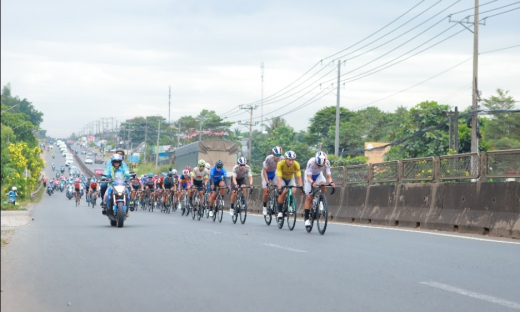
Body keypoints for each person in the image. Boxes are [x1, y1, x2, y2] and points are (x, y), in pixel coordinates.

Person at [303, 151, 335, 227]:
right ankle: (307, 218)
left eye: (321, 165)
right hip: (309, 176)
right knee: (308, 197)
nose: (320, 167)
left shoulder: (327, 163)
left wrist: (331, 183)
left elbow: (329, 177)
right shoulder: (311, 162)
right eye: (318, 165)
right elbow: (309, 178)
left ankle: (321, 198)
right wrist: (312, 183)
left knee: (323, 184)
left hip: (318, 175)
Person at [276, 151, 303, 220]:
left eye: (293, 160)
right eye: (289, 160)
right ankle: (280, 212)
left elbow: (299, 177)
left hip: (290, 178)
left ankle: (290, 205)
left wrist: (301, 187)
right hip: (282, 178)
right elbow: (279, 177)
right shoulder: (280, 164)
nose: (291, 162)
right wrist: (279, 187)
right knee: (283, 192)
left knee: (294, 190)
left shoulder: (296, 164)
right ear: (285, 159)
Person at [262, 146, 284, 216]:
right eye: (277, 155)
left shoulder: (282, 159)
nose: (278, 157)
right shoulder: (268, 158)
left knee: (279, 188)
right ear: (273, 154)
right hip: (266, 173)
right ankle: (264, 207)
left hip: (274, 173)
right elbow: (264, 171)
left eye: (279, 155)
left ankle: (278, 203)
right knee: (267, 192)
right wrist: (267, 182)